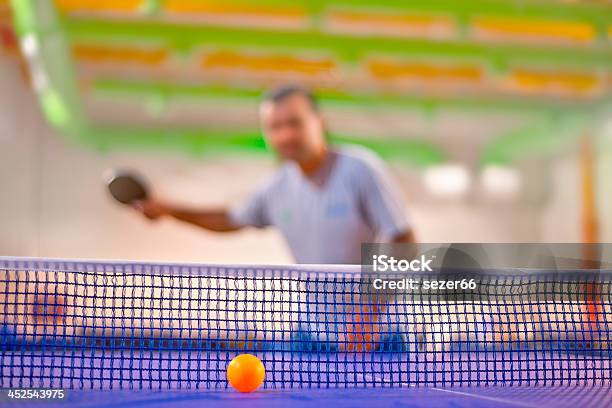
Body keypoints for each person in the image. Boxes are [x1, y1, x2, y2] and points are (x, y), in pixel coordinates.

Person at [134, 85, 416, 264]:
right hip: (313, 331)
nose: (285, 135)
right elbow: (229, 219)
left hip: (383, 331)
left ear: (320, 123)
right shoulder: (275, 188)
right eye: (274, 127)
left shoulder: (360, 168)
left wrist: (371, 314)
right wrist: (169, 210)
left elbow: (403, 239)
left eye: (294, 123)